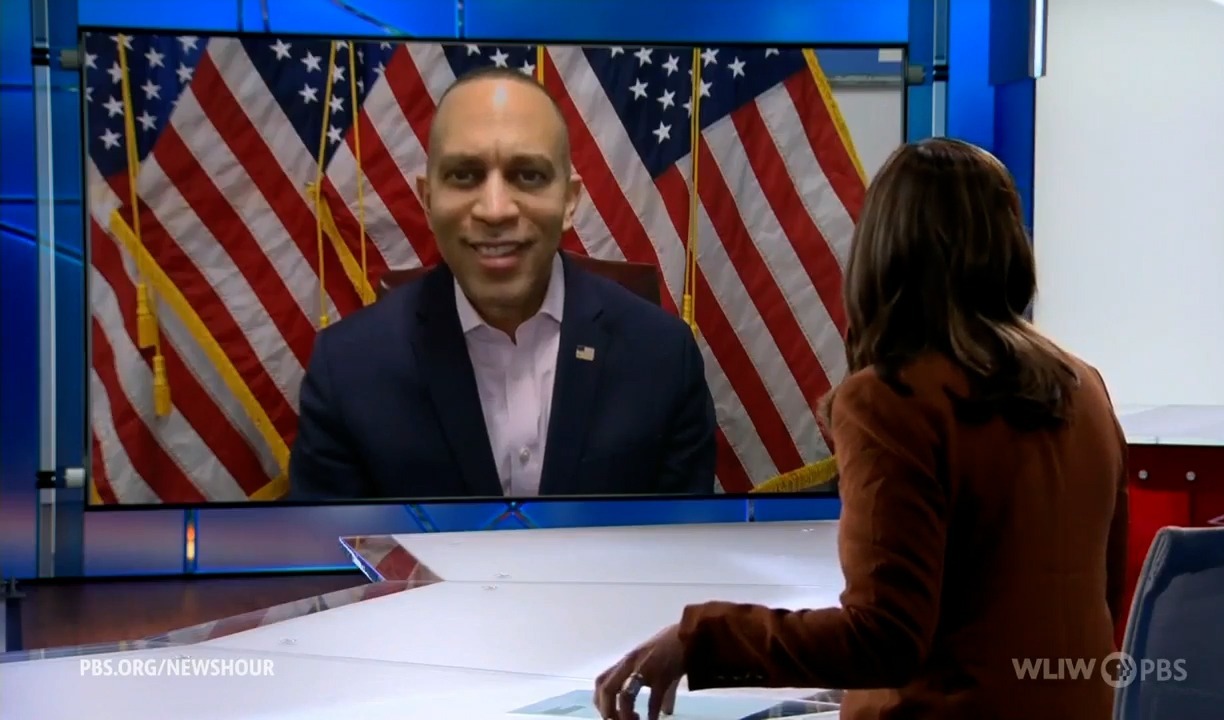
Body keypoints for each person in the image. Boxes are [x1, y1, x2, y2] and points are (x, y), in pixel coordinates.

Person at [593, 138, 1129, 720]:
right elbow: (1097, 597)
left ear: (882, 249)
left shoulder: (892, 400)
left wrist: (698, 640)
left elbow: (883, 639)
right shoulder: (1084, 386)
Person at [287, 67, 717, 500]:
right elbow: (336, 559)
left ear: (569, 202)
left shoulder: (664, 358)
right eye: (464, 175)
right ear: (429, 199)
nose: (494, 210)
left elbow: (678, 551)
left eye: (528, 175)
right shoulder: (344, 372)